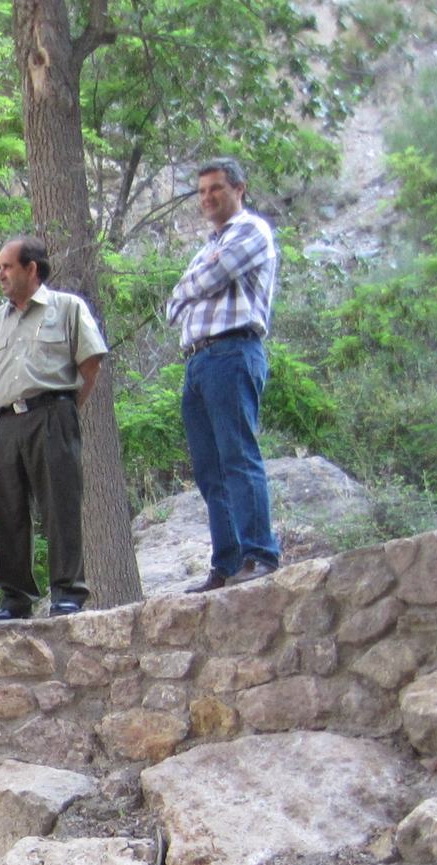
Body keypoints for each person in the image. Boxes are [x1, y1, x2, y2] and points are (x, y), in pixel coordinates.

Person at [0, 237, 106, 620]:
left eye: (7, 267)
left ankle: (68, 592)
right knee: (7, 509)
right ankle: (15, 599)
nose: (0, 275)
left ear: (32, 269)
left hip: (53, 412)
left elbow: (90, 364)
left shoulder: (67, 307)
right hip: (8, 420)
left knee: (60, 504)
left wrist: (65, 410)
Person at [166, 157, 283, 589]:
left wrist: (190, 286)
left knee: (237, 455)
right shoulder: (206, 246)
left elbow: (210, 278)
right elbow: (171, 305)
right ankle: (228, 563)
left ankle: (260, 554)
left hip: (233, 349)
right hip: (197, 360)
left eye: (216, 188)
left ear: (239, 189)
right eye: (201, 192)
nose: (207, 198)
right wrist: (191, 285)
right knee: (209, 468)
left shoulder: (251, 230)